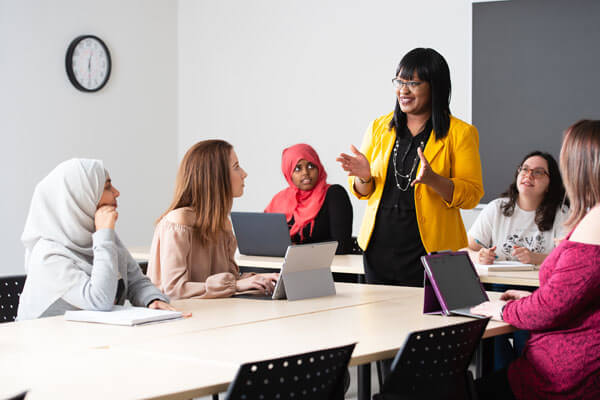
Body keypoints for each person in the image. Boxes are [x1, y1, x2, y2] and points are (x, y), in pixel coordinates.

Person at [472, 120, 600, 400]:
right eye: (525, 170)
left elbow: (551, 307)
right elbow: (576, 293)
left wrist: (502, 311)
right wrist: (530, 298)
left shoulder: (590, 220)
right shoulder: (497, 208)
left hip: (564, 375)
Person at [337, 47, 483, 287]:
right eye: (399, 81)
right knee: (378, 322)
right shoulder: (379, 127)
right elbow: (364, 192)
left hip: (431, 251)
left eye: (413, 83)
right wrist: (364, 177)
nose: (403, 90)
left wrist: (434, 180)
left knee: (427, 322)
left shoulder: (461, 133)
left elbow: (472, 196)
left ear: (435, 86)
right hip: (378, 248)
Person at [17, 159, 178, 320]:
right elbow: (99, 301)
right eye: (107, 186)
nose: (116, 192)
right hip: (44, 341)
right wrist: (104, 235)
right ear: (82, 197)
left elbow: (137, 282)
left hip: (91, 337)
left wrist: (152, 300)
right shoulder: (47, 255)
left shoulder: (102, 237)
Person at [147, 140, 279, 300]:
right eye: (236, 167)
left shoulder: (223, 224)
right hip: (175, 319)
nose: (244, 174)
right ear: (216, 176)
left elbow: (228, 280)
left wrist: (260, 279)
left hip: (210, 314)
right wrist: (236, 285)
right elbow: (174, 290)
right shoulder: (178, 221)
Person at [466, 151, 568, 265]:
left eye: (538, 172)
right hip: (496, 281)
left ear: (550, 184)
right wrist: (478, 256)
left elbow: (570, 258)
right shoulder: (496, 208)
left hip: (539, 282)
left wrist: (537, 258)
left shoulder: (562, 213)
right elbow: (465, 250)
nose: (528, 175)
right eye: (525, 169)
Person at [265, 143, 353, 254]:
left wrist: (297, 250)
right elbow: (266, 239)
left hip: (325, 267)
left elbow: (341, 246)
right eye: (297, 168)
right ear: (288, 173)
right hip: (283, 265)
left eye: (311, 166)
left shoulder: (334, 194)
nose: (306, 173)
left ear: (319, 167)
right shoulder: (279, 200)